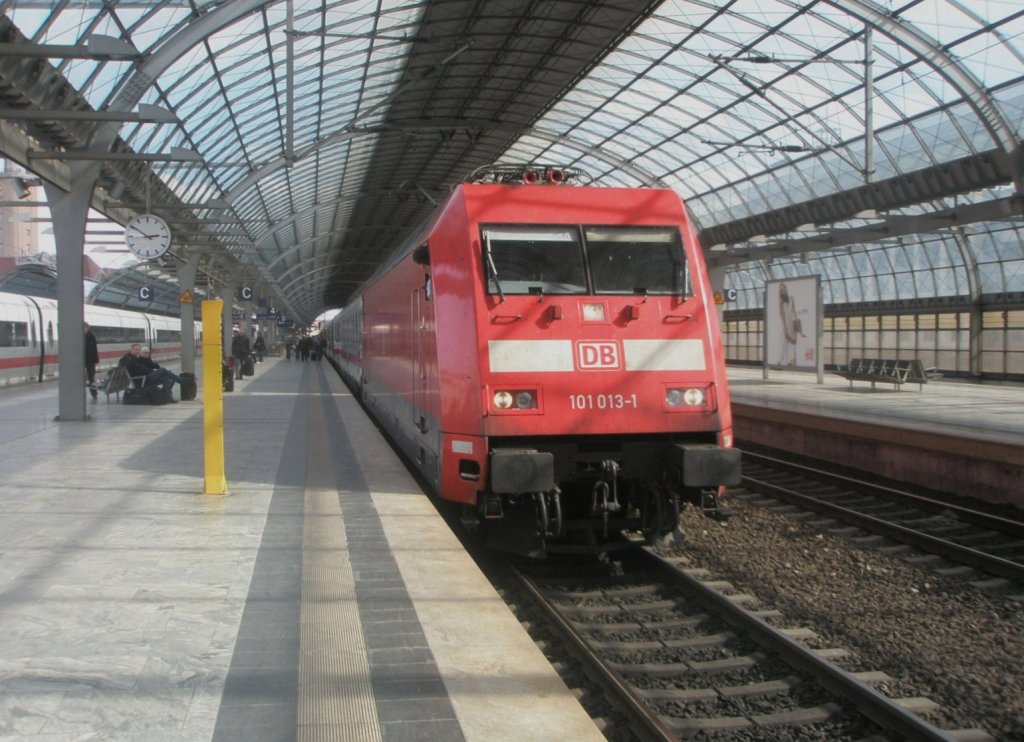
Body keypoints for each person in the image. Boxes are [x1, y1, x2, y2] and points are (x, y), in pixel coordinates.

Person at [119, 344, 184, 402]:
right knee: (163, 370)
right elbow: (141, 369)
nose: (137, 351)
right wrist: (151, 370)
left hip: (145, 377)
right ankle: (181, 380)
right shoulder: (129, 359)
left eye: (139, 350)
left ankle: (168, 397)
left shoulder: (136, 358)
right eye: (136, 349)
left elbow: (147, 367)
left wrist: (148, 361)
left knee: (167, 377)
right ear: (131, 349)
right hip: (142, 380)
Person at [778, 282, 804, 366]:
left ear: (786, 289)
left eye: (784, 289)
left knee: (793, 341)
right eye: (781, 290)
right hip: (785, 322)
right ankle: (782, 360)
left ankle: (791, 360)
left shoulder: (791, 298)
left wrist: (800, 331)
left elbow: (795, 313)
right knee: (784, 341)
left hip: (791, 322)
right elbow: (781, 315)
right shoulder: (781, 301)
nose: (783, 291)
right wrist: (784, 328)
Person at [84, 322, 99, 400]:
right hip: (85, 360)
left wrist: (95, 360)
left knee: (91, 378)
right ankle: (93, 393)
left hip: (90, 361)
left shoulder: (90, 336)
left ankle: (94, 393)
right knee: (90, 378)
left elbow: (94, 349)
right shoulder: (83, 336)